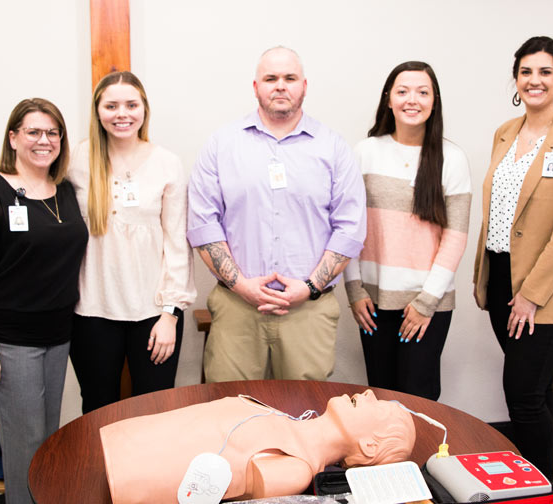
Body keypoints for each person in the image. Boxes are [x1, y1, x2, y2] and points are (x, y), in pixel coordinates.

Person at [187, 46, 366, 382]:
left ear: (304, 85)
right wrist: (241, 285)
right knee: (230, 412)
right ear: (256, 87)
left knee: (303, 417)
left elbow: (350, 230)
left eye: (289, 78)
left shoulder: (333, 148)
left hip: (308, 311)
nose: (280, 85)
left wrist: (309, 286)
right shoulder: (221, 145)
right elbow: (203, 224)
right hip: (237, 310)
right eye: (270, 78)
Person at [473, 36, 553, 480]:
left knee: (523, 395)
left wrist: (530, 295)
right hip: (501, 279)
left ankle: (535, 491)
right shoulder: (505, 133)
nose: (535, 80)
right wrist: (493, 282)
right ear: (516, 79)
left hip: (548, 290)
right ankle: (537, 483)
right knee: (538, 390)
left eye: (545, 72)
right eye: (526, 71)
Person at [0, 98, 88, 503]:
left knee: (46, 440)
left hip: (57, 336)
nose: (43, 141)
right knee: (25, 446)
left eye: (52, 132)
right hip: (11, 343)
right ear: (13, 138)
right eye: (33, 132)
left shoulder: (64, 190)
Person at [68, 71, 195, 414]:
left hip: (153, 313)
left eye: (130, 104)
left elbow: (177, 245)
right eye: (111, 105)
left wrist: (170, 314)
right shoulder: (77, 160)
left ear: (144, 109)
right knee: (97, 407)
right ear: (97, 111)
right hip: (92, 309)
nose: (121, 113)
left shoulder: (167, 162)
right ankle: (100, 470)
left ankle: (149, 471)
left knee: (154, 409)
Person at [344, 61, 471, 401]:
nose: (411, 99)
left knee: (419, 397)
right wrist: (354, 289)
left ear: (435, 101)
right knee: (381, 398)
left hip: (426, 301)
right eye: (402, 91)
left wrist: (426, 302)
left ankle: (425, 457)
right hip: (372, 299)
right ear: (389, 100)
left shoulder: (452, 158)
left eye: (422, 92)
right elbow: (349, 228)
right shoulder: (365, 152)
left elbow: (455, 237)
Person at [99, 390, 416, 503]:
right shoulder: (286, 421)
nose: (369, 393)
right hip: (121, 443)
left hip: (125, 476)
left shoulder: (295, 469)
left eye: (381, 408)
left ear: (370, 446)